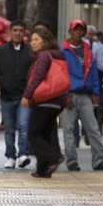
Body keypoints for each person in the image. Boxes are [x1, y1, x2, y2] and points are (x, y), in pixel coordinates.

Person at [61, 19, 103, 171]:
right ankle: (72, 161)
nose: (78, 32)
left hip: (86, 95)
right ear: (70, 32)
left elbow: (94, 72)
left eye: (81, 30)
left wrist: (95, 91)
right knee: (69, 130)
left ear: (84, 32)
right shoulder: (63, 51)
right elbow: (61, 74)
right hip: (70, 95)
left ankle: (98, 160)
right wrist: (65, 94)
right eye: (75, 29)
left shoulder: (88, 49)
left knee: (93, 129)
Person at [21, 28, 68, 178]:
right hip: (56, 100)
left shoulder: (43, 55)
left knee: (33, 134)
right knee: (44, 135)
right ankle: (43, 169)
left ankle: (55, 157)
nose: (33, 43)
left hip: (44, 99)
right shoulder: (58, 55)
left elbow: (38, 76)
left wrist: (27, 95)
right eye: (31, 40)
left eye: (36, 39)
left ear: (45, 41)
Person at [0, 19, 34, 169]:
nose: (18, 33)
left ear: (24, 33)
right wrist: (0, 82)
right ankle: (10, 156)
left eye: (21, 30)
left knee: (23, 126)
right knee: (9, 129)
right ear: (10, 32)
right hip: (6, 96)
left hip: (24, 97)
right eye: (15, 30)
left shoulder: (30, 52)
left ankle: (23, 155)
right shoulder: (1, 51)